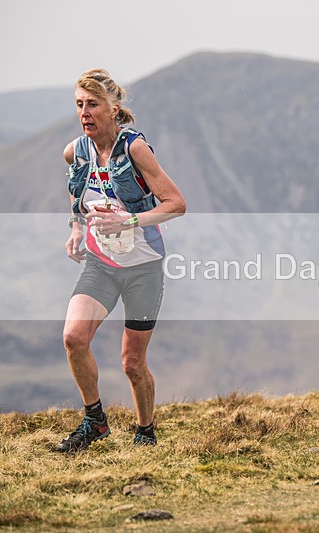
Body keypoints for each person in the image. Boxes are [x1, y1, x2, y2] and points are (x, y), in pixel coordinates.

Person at [56, 69, 186, 452]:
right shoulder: (75, 151)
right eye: (79, 104)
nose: (85, 112)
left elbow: (176, 204)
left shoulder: (134, 149)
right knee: (74, 338)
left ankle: (145, 432)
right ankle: (95, 421)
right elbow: (76, 188)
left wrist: (128, 220)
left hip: (143, 268)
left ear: (113, 109)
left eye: (93, 104)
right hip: (101, 265)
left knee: (132, 362)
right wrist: (76, 227)